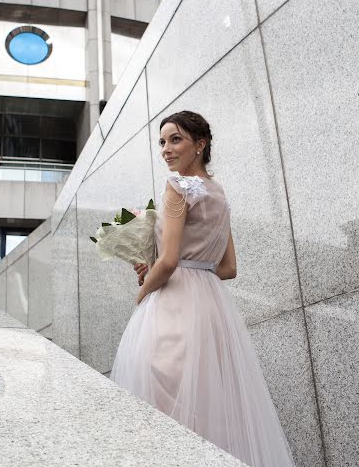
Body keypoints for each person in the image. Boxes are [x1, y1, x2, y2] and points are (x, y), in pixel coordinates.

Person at [110, 111, 296, 467]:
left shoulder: (177, 187)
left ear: (200, 144)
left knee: (162, 398)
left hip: (174, 304)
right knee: (209, 405)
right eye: (162, 142)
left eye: (175, 139)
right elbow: (228, 269)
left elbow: (167, 263)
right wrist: (172, 264)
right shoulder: (219, 195)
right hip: (210, 307)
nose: (166, 149)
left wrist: (144, 291)